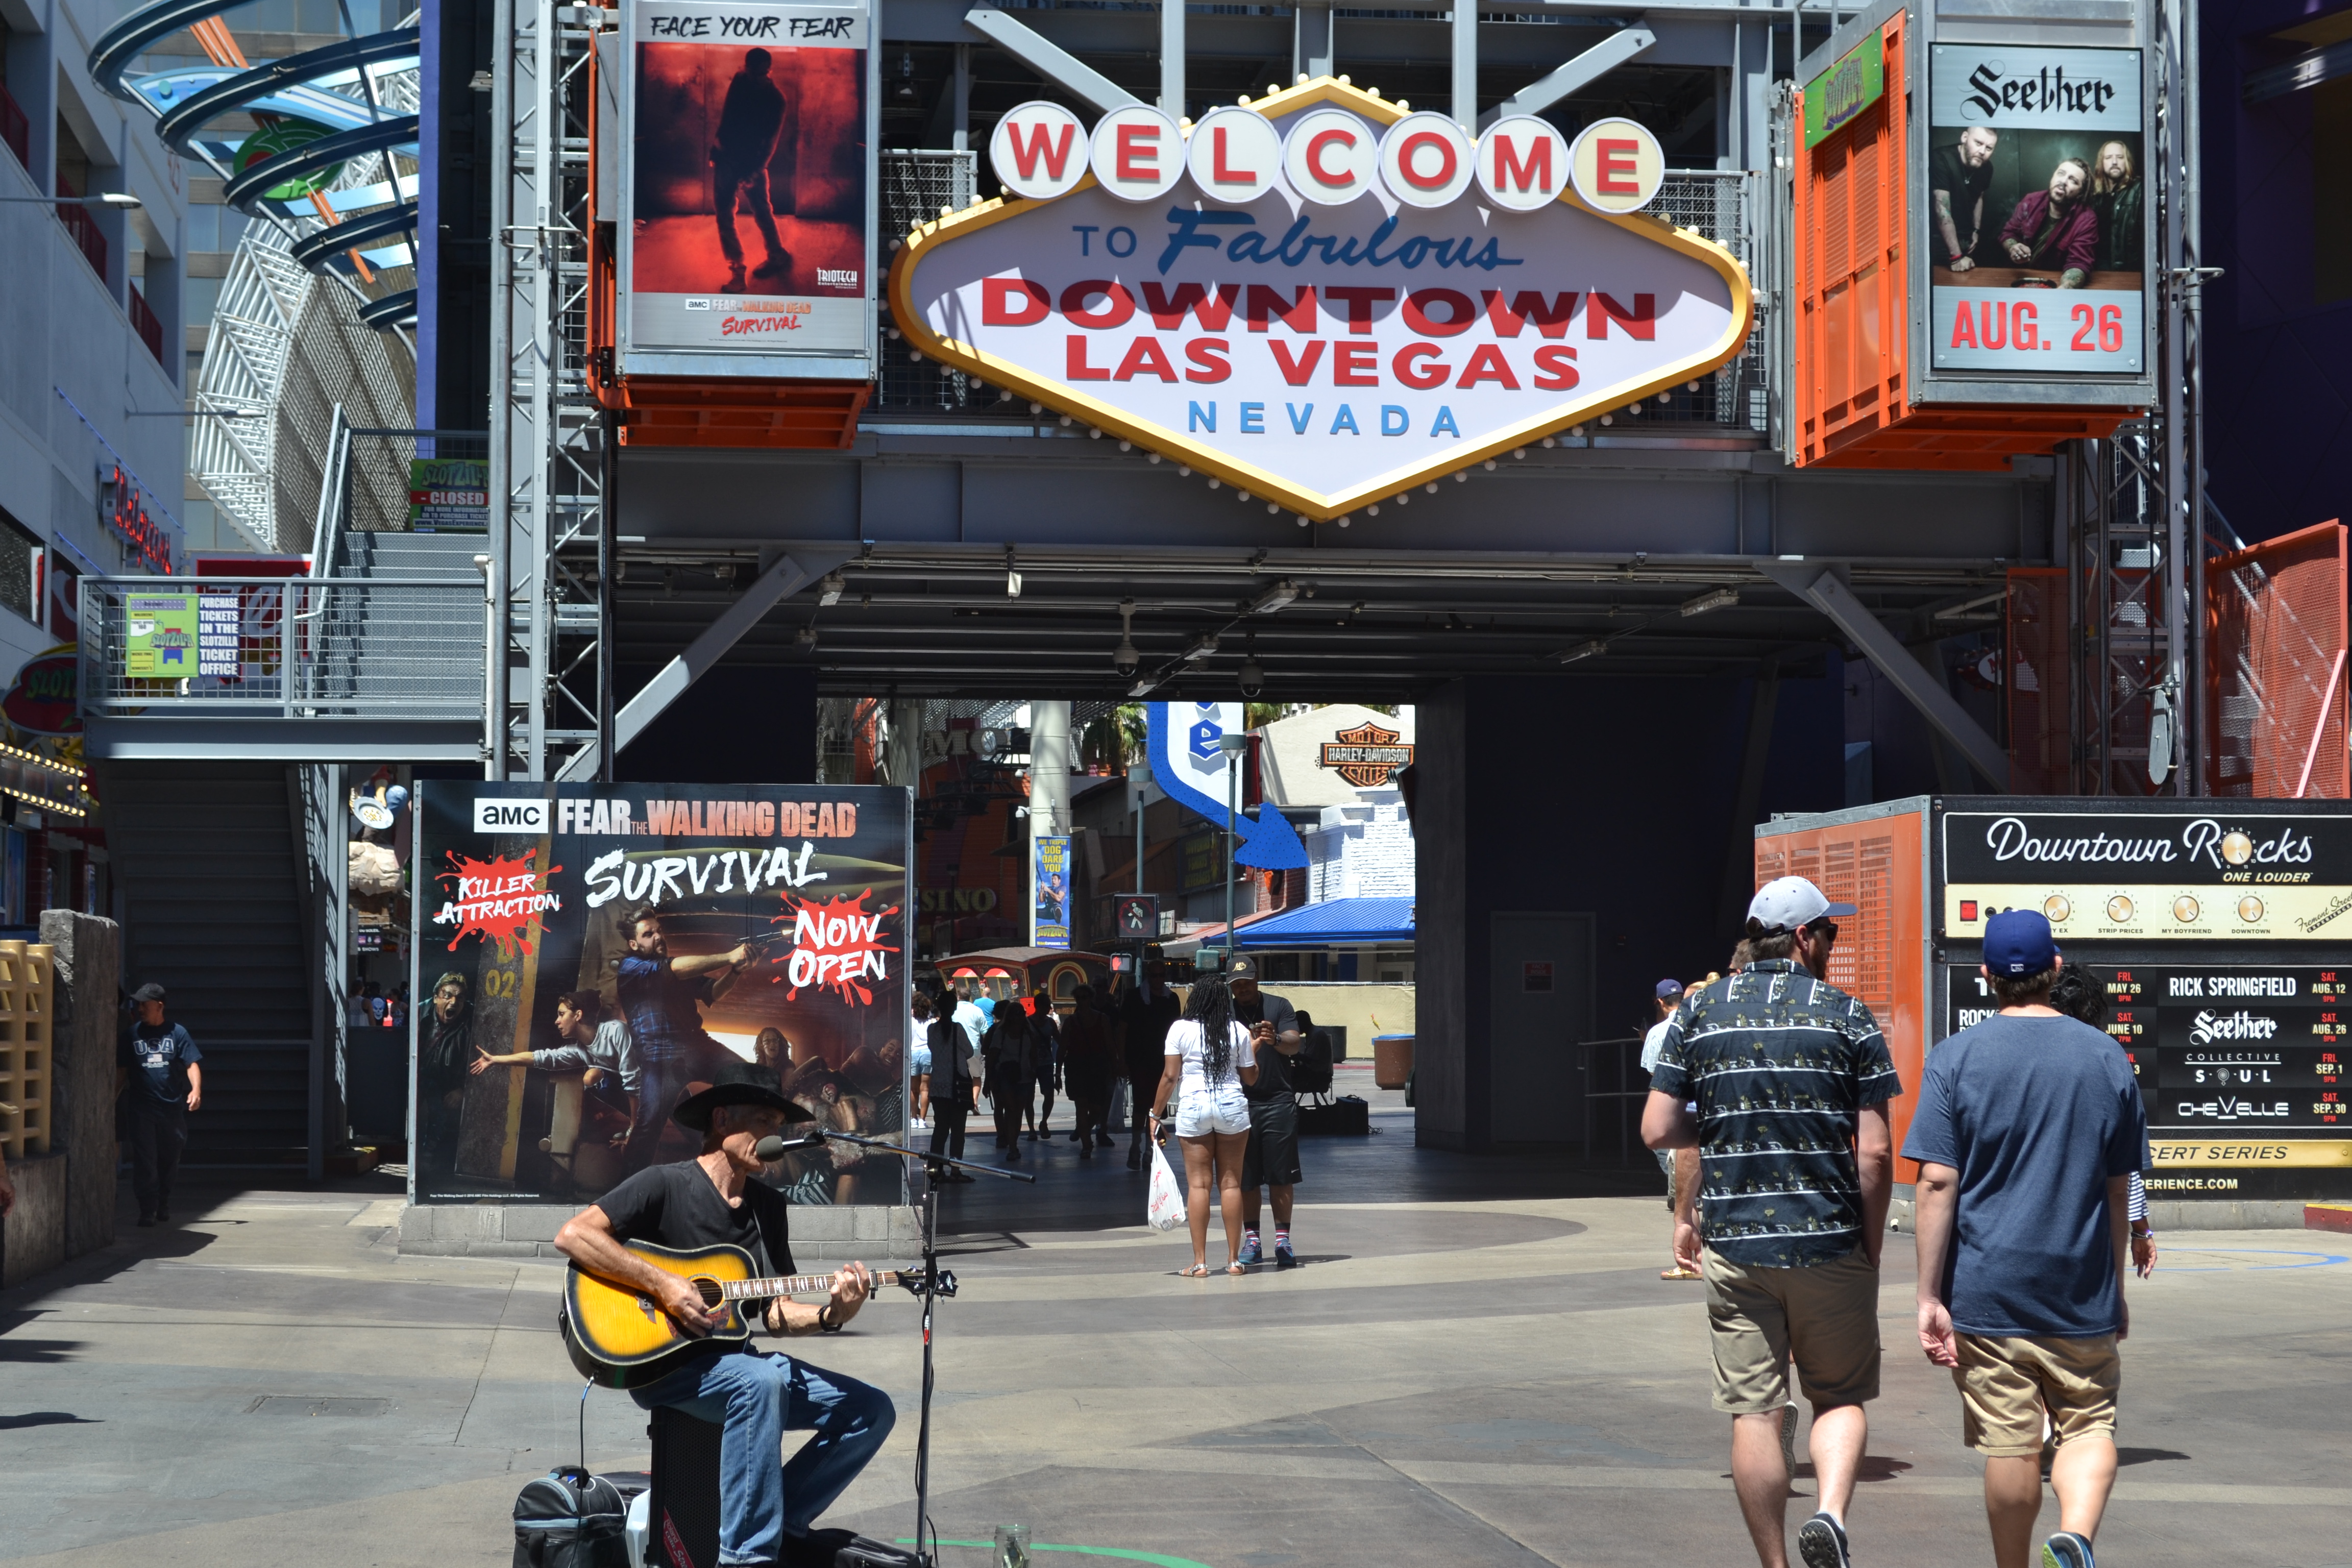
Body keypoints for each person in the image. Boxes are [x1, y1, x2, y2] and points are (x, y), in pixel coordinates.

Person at [1643, 876, 1898, 1568]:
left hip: (1737, 1245)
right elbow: (1874, 1151)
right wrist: (1870, 1241)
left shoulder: (1698, 1015)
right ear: (1808, 939)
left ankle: (1775, 1564)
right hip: (1829, 1242)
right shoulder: (1847, 1014)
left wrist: (1722, 1135)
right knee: (1839, 1397)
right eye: (1831, 936)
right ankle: (1831, 1516)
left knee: (1756, 1411)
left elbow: (1659, 1128)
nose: (1832, 949)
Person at [553, 1061, 893, 1567]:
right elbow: (575, 1235)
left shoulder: (768, 1208)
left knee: (870, 1410)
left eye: (778, 1127)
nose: (773, 1136)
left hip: (735, 1365)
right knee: (760, 1382)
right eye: (762, 1121)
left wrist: (832, 1314)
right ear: (721, 1120)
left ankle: (782, 1523)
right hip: (666, 1366)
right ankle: (746, 1560)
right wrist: (663, 1284)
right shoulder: (663, 1184)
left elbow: (774, 1313)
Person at [1906, 911, 2148, 1568]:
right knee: (2090, 1422)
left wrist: (1929, 1294)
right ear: (2058, 968)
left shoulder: (1955, 1057)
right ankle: (2075, 1535)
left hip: (1989, 1289)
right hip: (2080, 1289)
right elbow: (2117, 1185)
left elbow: (1935, 1182)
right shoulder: (2107, 1057)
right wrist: (2116, 1289)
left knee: (2009, 1444)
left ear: (1985, 976)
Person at [615, 907, 752, 1168]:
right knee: (649, 1127)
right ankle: (627, 1192)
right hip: (660, 1059)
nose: (658, 937)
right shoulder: (631, 968)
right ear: (634, 944)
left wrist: (735, 971)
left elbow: (712, 993)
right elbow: (672, 970)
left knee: (752, 1079)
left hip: (698, 1046)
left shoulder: (680, 968)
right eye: (648, 934)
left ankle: (748, 1157)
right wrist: (728, 956)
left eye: (659, 931)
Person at [2047, 962, 2155, 1278]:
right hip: (2084, 1248)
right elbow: (2123, 1171)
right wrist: (2141, 1231)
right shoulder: (2108, 1063)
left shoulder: (1994, 1055)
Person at [1149, 976, 1259, 1277]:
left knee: (1199, 1185)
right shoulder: (1237, 1030)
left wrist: (1154, 1115)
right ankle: (1235, 1260)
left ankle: (1199, 1263)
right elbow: (1250, 1078)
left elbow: (1170, 1077)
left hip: (1194, 1106)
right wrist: (1254, 1049)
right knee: (1231, 1184)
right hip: (1232, 1107)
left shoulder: (1179, 1029)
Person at [471, 990, 643, 1149]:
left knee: (596, 1077)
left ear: (578, 1015)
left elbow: (633, 1077)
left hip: (657, 1085)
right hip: (640, 1099)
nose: (557, 1021)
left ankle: (640, 1124)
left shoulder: (615, 1031)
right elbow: (541, 1058)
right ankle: (639, 1123)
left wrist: (634, 1128)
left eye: (562, 1014)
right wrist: (495, 1060)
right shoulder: (580, 1049)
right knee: (591, 1078)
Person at [1228, 957, 1305, 1270]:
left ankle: (1283, 1241)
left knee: (1280, 1175)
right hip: (1237, 1102)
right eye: (1236, 985)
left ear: (1257, 979)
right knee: (1246, 1178)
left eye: (1246, 982)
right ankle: (1254, 1241)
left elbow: (1294, 1044)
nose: (1242, 989)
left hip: (1277, 1101)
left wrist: (1273, 1039)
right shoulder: (1226, 1013)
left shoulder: (1279, 1006)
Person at [118, 983, 203, 1228]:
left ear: (160, 1006)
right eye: (138, 1004)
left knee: (169, 1159)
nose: (140, 1008)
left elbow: (191, 1064)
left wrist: (196, 1090)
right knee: (146, 1159)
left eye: (145, 1004)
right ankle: (147, 1208)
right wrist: (109, 1102)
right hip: (142, 1108)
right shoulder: (131, 1035)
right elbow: (121, 1071)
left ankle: (163, 1201)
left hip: (171, 1109)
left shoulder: (177, 1033)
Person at [710, 48, 790, 293]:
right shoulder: (741, 81)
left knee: (761, 211)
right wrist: (717, 148)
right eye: (752, 72)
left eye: (761, 73)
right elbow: (728, 115)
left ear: (769, 70)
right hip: (728, 158)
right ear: (746, 68)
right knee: (725, 215)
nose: (756, 78)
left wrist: (756, 170)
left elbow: (771, 141)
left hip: (750, 162)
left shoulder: (776, 99)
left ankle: (776, 254)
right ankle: (738, 271)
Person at [1640, 977, 1704, 1282]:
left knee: (1684, 1196)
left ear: (1661, 1002)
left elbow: (1658, 1077)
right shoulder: (1709, 1026)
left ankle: (1692, 1262)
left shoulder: (1661, 1032)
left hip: (1683, 1122)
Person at [1999, 158, 2098, 287]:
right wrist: (2013, 248)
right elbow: (2009, 233)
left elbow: (2079, 263)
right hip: (2019, 279)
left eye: (2073, 181)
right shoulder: (2031, 201)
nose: (2063, 181)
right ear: (2053, 176)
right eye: (2061, 174)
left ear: (2080, 193)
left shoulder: (2086, 219)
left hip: (2054, 283)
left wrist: (2066, 288)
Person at [1120, 969, 1181, 1170]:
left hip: (1163, 1060)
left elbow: (1176, 1029)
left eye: (1161, 974)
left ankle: (1150, 1149)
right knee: (1140, 1105)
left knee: (1158, 1107)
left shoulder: (1171, 999)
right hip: (1139, 1059)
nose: (1158, 978)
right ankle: (1136, 1146)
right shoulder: (1134, 997)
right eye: (1154, 974)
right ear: (1148, 976)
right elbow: (1123, 1028)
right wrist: (1122, 1059)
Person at [417, 972, 474, 1175]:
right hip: (418, 1077)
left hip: (446, 1082)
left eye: (459, 998)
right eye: (448, 995)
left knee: (439, 1117)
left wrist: (463, 1088)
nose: (454, 1002)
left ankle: (428, 1161)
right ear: (436, 998)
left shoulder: (471, 1021)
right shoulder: (420, 1014)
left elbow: (477, 1058)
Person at [1931, 125, 1999, 272]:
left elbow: (1979, 198)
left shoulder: (1987, 168)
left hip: (1965, 240)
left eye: (1989, 148)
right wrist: (1956, 257)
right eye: (1978, 143)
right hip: (1937, 242)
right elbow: (1941, 209)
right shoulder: (1941, 158)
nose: (1982, 152)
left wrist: (1976, 231)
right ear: (1964, 138)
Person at [1058, 984, 1115, 1157]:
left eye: (1084, 997)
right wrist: (1057, 1074)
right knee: (1081, 1106)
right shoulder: (1070, 1022)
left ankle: (1082, 1130)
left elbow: (1110, 1044)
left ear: (1090, 999)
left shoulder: (1102, 1019)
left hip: (1097, 1066)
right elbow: (1062, 1048)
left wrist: (1115, 1064)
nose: (1081, 1001)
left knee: (1097, 1109)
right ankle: (1086, 1144)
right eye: (1079, 998)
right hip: (1077, 1066)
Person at [926, 1000, 978, 1182]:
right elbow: (970, 1052)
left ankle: (935, 1169)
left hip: (938, 1085)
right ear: (954, 1009)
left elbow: (933, 1048)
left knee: (940, 1130)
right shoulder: (958, 1029)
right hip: (956, 1086)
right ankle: (955, 1171)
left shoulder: (931, 1030)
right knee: (958, 1132)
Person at [2088, 141, 2141, 274]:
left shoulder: (2139, 189)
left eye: (2120, 157)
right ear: (2102, 162)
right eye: (2109, 157)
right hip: (2095, 269)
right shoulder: (2094, 194)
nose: (2115, 162)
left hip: (2128, 271)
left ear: (2127, 161)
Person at [1024, 987, 1060, 1141]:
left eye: (1049, 1005)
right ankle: (1031, 1128)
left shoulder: (1050, 1023)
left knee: (1049, 1095)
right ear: (1038, 1005)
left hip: (1046, 1063)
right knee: (1028, 1097)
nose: (1048, 1008)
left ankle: (1044, 1122)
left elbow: (1059, 1040)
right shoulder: (1027, 1023)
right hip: (1030, 1064)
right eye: (1046, 1005)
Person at [908, 993, 934, 1128]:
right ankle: (923, 1120)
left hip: (912, 1053)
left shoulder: (909, 1021)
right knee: (925, 1089)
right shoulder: (932, 1022)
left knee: (913, 1089)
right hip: (928, 1054)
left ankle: (913, 1118)